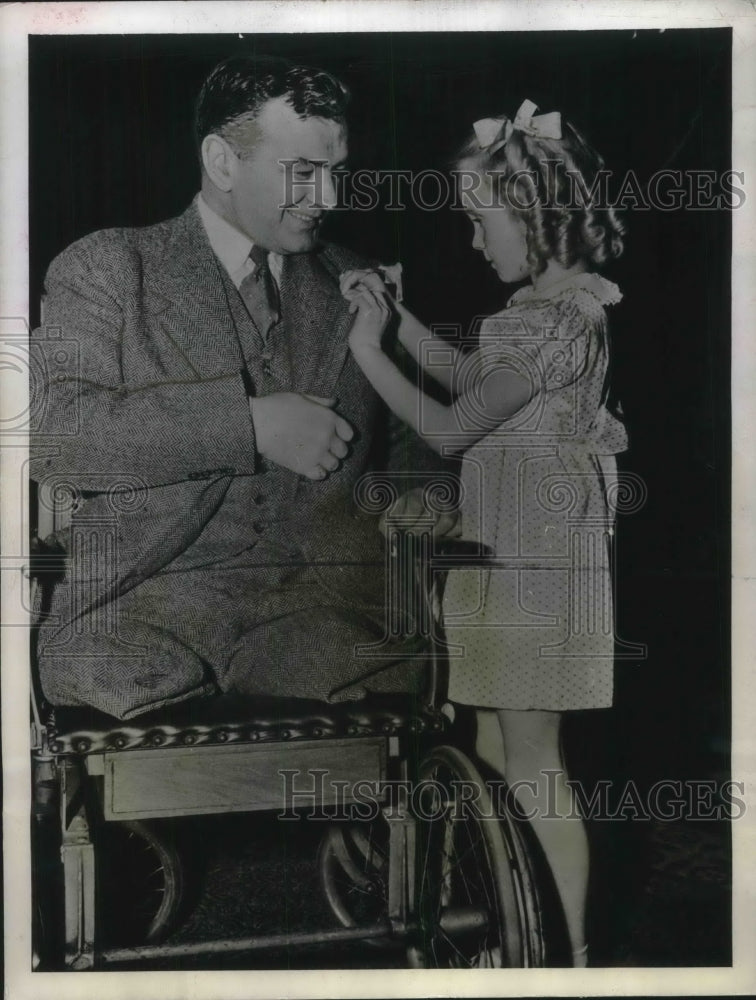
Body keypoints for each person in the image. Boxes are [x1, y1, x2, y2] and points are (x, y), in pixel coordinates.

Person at [30, 55, 454, 721]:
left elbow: (405, 443)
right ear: (223, 162)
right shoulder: (108, 267)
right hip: (144, 608)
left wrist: (424, 492)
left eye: (337, 173)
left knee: (380, 686)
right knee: (118, 685)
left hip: (324, 616)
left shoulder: (356, 280)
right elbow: (59, 435)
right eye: (305, 173)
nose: (331, 200)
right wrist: (250, 423)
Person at [339, 100, 627, 966]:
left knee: (535, 758)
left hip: (538, 565)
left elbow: (455, 428)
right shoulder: (542, 313)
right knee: (497, 746)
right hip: (506, 552)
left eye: (480, 220)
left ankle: (564, 955)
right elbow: (471, 377)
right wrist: (397, 318)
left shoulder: (557, 322)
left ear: (533, 217)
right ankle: (517, 921)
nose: (473, 240)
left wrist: (368, 356)